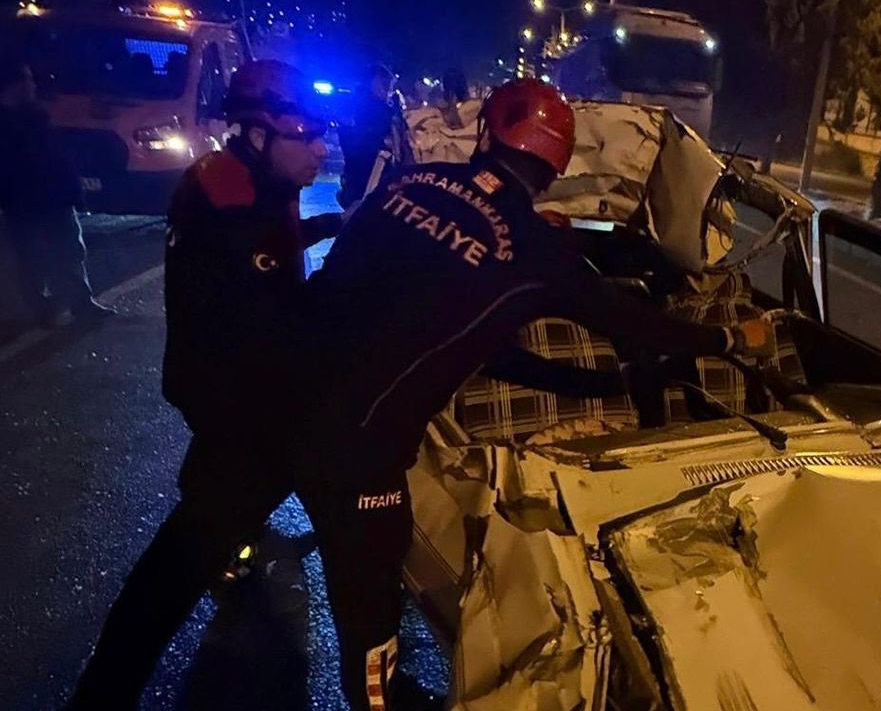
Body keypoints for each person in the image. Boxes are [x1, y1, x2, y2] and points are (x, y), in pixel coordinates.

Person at [295, 78, 774, 710]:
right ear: (554, 168)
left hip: (284, 393)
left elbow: (483, 348)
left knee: (230, 539)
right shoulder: (531, 248)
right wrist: (727, 337)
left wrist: (605, 384)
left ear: (487, 135)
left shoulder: (407, 185)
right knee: (370, 603)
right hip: (357, 451)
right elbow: (631, 321)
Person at [65, 59, 343, 710]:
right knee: (177, 565)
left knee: (207, 517)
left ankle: (232, 551)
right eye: (305, 135)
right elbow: (271, 307)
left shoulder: (246, 178)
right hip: (240, 402)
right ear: (258, 132)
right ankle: (101, 695)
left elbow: (267, 253)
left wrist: (326, 227)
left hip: (222, 389)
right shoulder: (233, 198)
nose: (319, 149)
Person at [0, 57, 113, 325]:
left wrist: (73, 189)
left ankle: (80, 302)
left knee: (70, 250)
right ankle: (42, 309)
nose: (32, 85)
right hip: (24, 201)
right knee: (32, 258)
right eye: (26, 79)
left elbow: (58, 158)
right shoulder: (8, 123)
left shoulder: (37, 115)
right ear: (12, 85)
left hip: (55, 197)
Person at [339, 63, 411, 209]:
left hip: (357, 176)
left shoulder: (356, 105)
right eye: (386, 84)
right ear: (375, 82)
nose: (389, 90)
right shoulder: (378, 109)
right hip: (372, 175)